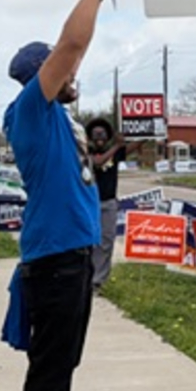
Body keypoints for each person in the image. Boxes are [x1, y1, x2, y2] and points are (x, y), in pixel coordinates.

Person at [0, 0, 121, 391]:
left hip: (76, 253)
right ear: (39, 76)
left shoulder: (62, 120)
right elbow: (74, 42)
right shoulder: (29, 109)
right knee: (48, 367)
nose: (72, 69)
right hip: (51, 258)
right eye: (59, 66)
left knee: (65, 361)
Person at [85, 116, 126, 289]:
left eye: (103, 135)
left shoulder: (115, 154)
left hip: (109, 203)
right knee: (89, 243)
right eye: (96, 134)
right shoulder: (86, 152)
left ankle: (98, 281)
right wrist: (117, 145)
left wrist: (151, 133)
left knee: (106, 241)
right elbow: (98, 163)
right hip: (89, 203)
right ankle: (86, 277)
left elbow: (135, 145)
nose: (99, 138)